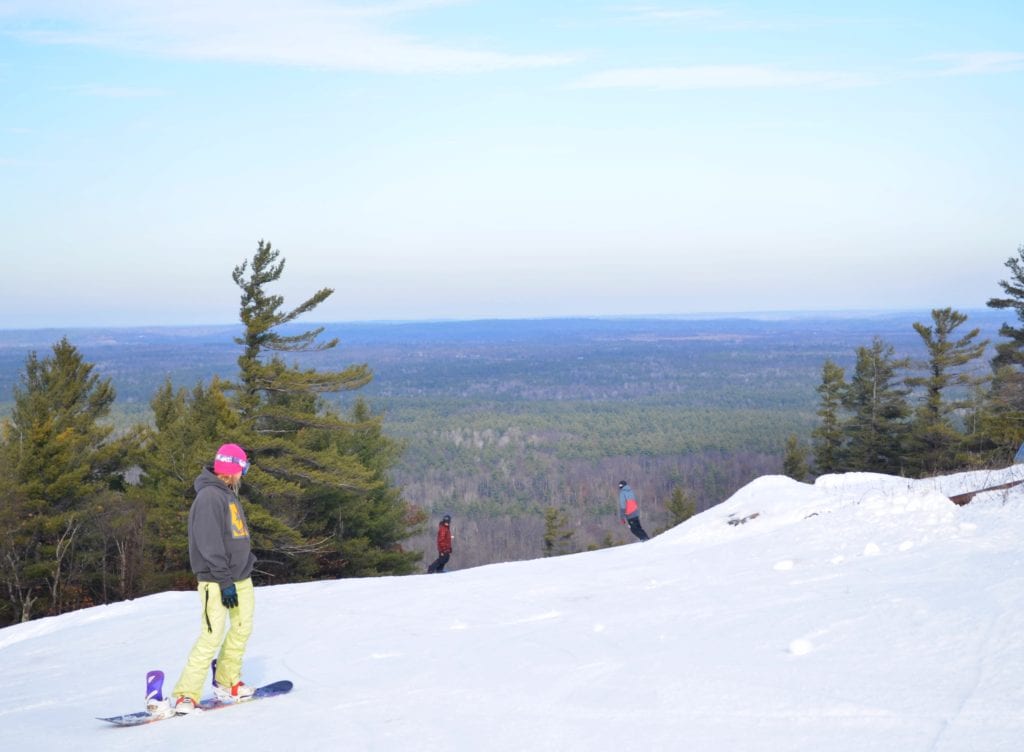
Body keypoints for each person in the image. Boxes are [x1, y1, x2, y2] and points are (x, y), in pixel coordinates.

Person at [171, 443, 258, 714]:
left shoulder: (227, 495)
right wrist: (224, 581)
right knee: (212, 634)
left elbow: (234, 536)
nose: (243, 473)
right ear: (233, 468)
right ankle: (186, 694)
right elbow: (209, 545)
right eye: (242, 467)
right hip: (217, 580)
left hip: (240, 576)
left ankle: (227, 680)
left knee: (242, 628)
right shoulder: (210, 497)